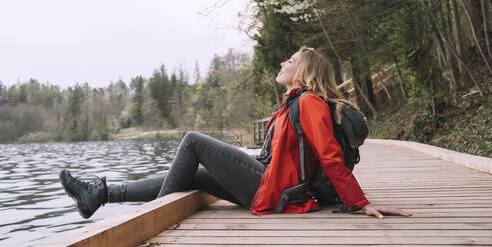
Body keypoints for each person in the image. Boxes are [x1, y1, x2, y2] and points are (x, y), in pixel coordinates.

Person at [60, 46, 411, 219]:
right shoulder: (297, 102)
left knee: (193, 141)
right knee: (196, 173)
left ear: (303, 70)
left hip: (276, 192)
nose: (282, 64)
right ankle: (101, 194)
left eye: (289, 61)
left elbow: (330, 157)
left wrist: (360, 203)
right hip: (272, 181)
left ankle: (155, 218)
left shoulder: (310, 103)